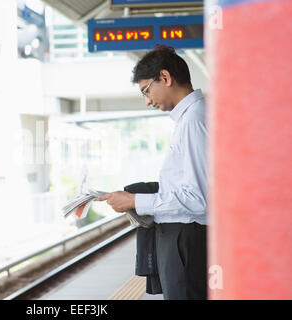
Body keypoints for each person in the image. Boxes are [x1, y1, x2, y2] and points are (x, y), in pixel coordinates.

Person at [96, 45, 208, 300]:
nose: (147, 101)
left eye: (146, 90)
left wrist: (136, 201)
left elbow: (199, 199)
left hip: (187, 242)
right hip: (183, 240)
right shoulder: (190, 118)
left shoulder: (194, 120)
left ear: (165, 78)